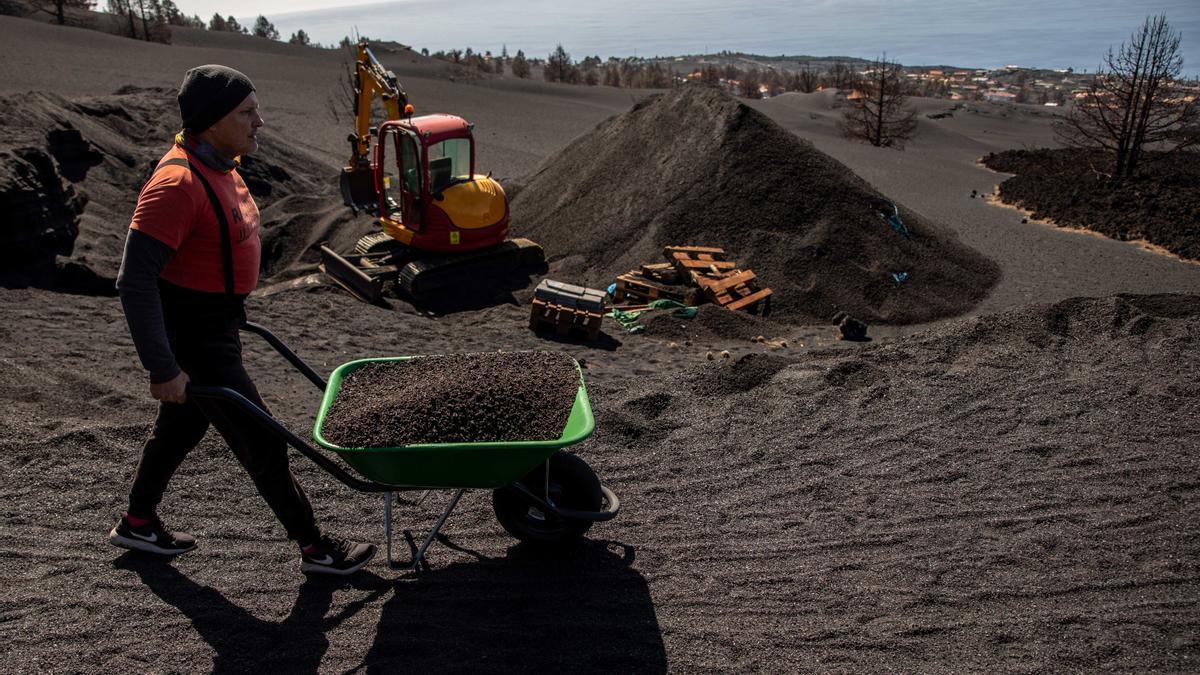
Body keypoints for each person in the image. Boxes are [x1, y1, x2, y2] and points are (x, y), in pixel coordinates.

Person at [109, 65, 375, 576]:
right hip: (195, 334)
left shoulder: (222, 162)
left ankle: (137, 522)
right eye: (247, 113)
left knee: (181, 428)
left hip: (218, 322)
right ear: (212, 121)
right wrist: (163, 367)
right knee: (263, 440)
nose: (260, 122)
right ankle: (316, 548)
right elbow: (135, 281)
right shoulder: (176, 185)